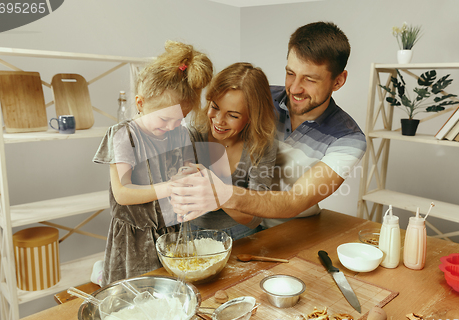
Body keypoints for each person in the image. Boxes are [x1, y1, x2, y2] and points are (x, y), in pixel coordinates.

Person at [170, 21, 366, 224]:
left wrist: (221, 194)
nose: (294, 88)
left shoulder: (348, 139)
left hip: (292, 228)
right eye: (290, 73)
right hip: (242, 226)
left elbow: (296, 199)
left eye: (310, 79)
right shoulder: (256, 97)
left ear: (338, 81)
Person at [92, 40, 213, 285]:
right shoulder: (123, 136)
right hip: (135, 238)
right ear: (140, 103)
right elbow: (123, 193)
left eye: (180, 119)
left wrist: (193, 173)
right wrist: (171, 187)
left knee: (171, 292)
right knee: (137, 296)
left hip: (172, 230)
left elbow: (187, 167)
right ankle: (102, 272)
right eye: (164, 119)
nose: (171, 127)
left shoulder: (180, 133)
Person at [185, 62, 277, 240]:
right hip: (191, 233)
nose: (218, 121)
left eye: (233, 115)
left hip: (242, 236)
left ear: (252, 116)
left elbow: (254, 217)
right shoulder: (195, 132)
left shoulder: (262, 144)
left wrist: (218, 195)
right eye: (215, 107)